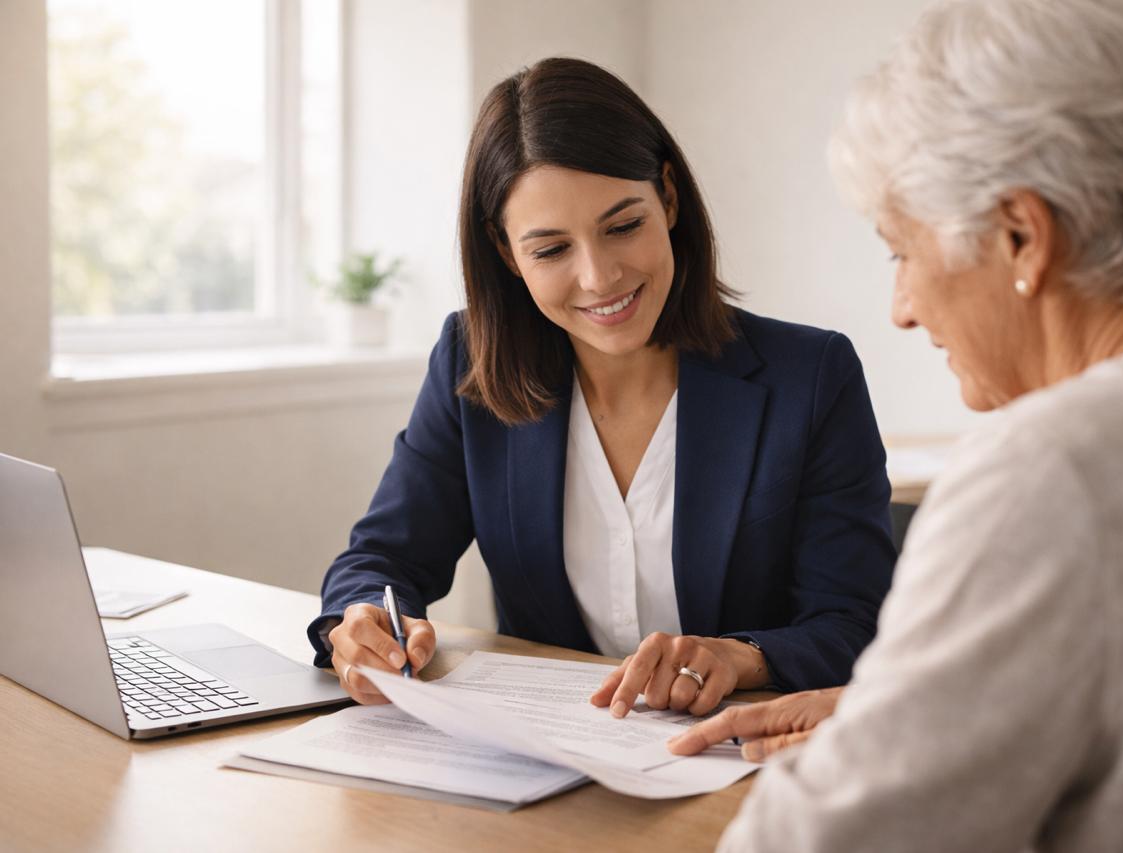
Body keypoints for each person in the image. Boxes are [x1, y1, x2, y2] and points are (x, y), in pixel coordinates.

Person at [669, 0, 1123, 849]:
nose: (902, 309)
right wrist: (904, 709)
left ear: (1023, 236)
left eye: (900, 250)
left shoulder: (1051, 472)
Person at [306, 58, 896, 718]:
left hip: (744, 758)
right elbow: (383, 557)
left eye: (623, 226)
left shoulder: (810, 377)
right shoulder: (469, 363)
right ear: (507, 254)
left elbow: (855, 623)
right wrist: (360, 624)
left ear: (668, 198)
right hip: (555, 760)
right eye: (552, 250)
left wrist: (741, 654)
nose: (599, 276)